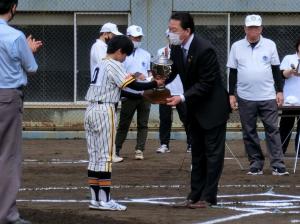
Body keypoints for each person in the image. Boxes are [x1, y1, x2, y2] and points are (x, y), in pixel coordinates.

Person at [84, 35, 164, 211]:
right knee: (105, 157)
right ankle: (105, 200)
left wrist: (142, 94)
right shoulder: (114, 64)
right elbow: (133, 85)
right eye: (125, 54)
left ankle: (95, 199)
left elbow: (120, 91)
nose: (125, 58)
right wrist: (154, 83)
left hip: (90, 110)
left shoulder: (100, 64)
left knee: (95, 157)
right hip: (104, 111)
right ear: (119, 51)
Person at [166, 12, 230, 208]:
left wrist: (182, 97)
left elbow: (207, 82)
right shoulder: (176, 48)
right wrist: (156, 80)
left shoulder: (205, 49)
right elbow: (173, 71)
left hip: (213, 109)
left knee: (213, 154)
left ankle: (208, 197)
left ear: (187, 30)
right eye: (169, 29)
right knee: (197, 153)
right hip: (194, 110)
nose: (170, 33)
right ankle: (195, 194)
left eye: (174, 30)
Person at [227, 14, 289, 176]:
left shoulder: (270, 45)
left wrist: (279, 91)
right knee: (249, 131)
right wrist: (231, 94)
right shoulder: (236, 46)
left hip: (267, 95)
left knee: (272, 129)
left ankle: (277, 164)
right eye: (250, 27)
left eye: (256, 27)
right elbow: (232, 72)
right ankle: (255, 163)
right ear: (245, 29)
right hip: (245, 96)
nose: (253, 30)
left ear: (261, 28)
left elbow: (276, 70)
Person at [0, 0, 42, 223]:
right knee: (7, 156)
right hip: (7, 97)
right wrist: (29, 50)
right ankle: (5, 214)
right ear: (13, 7)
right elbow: (32, 67)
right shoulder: (14, 36)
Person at [115, 25, 151, 161]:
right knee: (124, 124)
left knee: (143, 123)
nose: (137, 39)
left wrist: (150, 80)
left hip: (144, 94)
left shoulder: (146, 54)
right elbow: (119, 74)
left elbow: (148, 73)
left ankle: (139, 150)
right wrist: (135, 75)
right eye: (135, 37)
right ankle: (117, 149)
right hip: (128, 94)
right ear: (128, 37)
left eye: (139, 37)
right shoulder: (121, 55)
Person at [156, 30, 192, 153]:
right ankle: (164, 144)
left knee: (187, 118)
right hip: (166, 92)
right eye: (170, 36)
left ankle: (191, 143)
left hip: (181, 91)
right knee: (165, 118)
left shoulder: (185, 51)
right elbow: (160, 73)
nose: (172, 38)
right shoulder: (162, 51)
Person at [279, 38, 300, 155]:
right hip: (290, 99)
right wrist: (291, 71)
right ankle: (280, 151)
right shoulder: (289, 58)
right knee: (286, 125)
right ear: (297, 46)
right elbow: (282, 75)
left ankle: (299, 152)